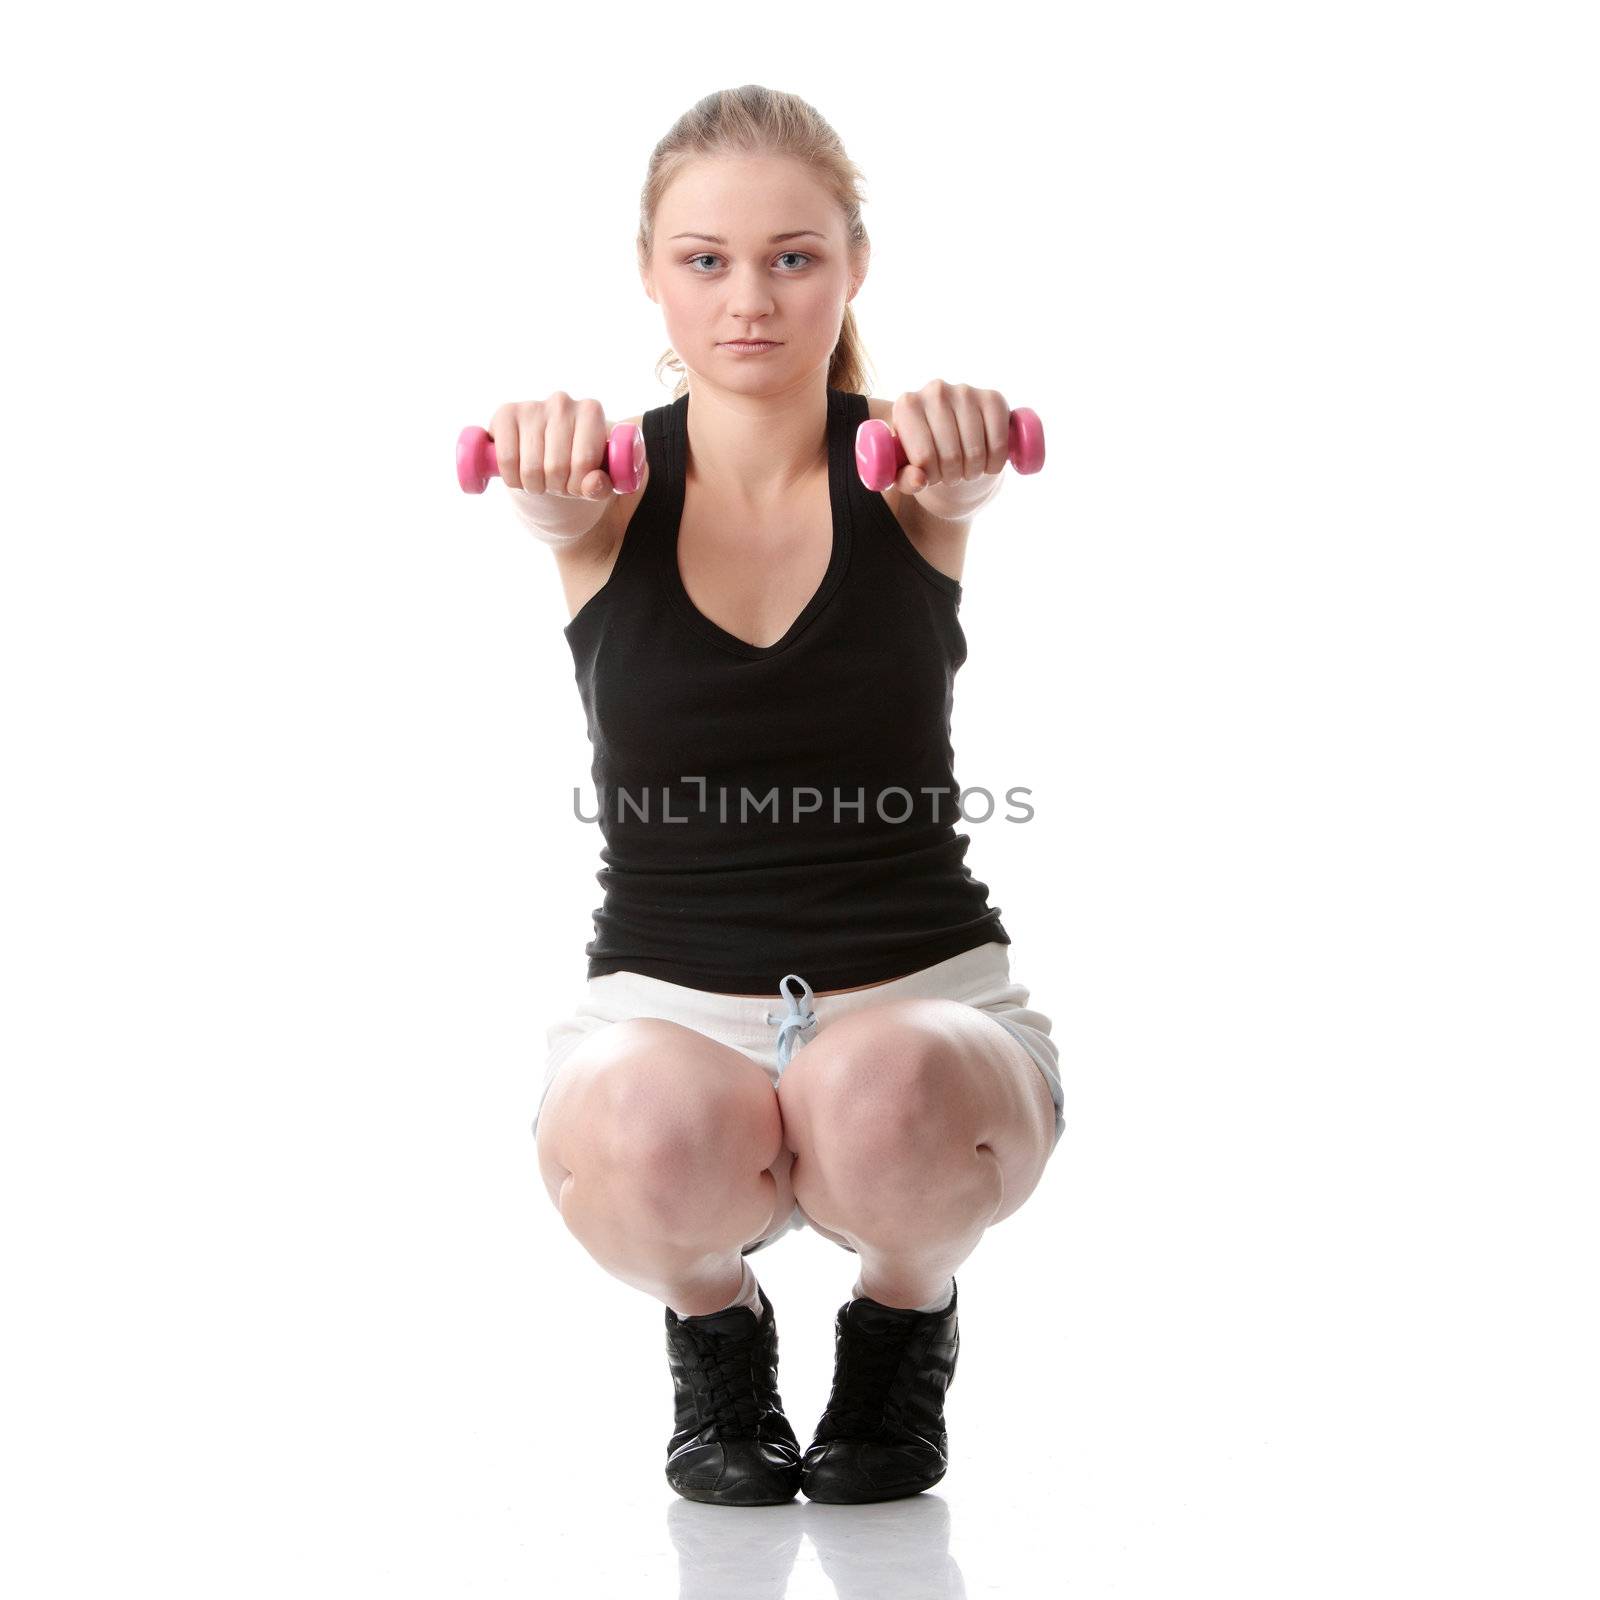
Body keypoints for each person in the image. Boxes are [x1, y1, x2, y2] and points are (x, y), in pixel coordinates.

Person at [488, 85, 1064, 1507]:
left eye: (792, 257)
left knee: (881, 1088)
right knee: (645, 1132)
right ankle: (714, 1332)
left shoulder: (912, 478)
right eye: (707, 260)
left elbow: (963, 486)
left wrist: (971, 444)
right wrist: (549, 471)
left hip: (920, 1004)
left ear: (852, 266)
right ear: (650, 273)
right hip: (666, 1012)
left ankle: (901, 1323)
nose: (749, 297)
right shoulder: (610, 495)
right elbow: (556, 508)